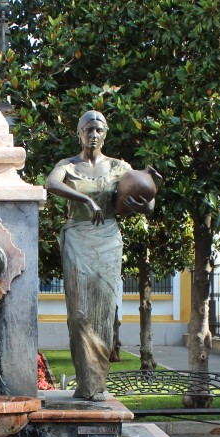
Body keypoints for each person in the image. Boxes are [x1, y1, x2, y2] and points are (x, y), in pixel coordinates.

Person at [45, 110, 153, 401]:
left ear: (105, 134)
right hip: (77, 237)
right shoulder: (68, 165)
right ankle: (85, 383)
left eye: (99, 130)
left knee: (104, 313)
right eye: (88, 129)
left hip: (107, 239)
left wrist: (141, 205)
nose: (93, 134)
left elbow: (147, 201)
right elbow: (51, 184)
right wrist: (85, 199)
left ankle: (97, 386)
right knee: (79, 315)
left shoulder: (119, 167)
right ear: (79, 134)